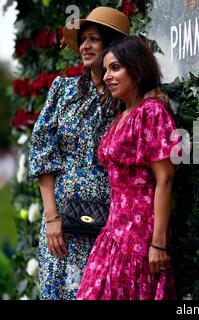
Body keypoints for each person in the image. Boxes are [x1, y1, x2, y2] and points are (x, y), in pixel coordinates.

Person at [28, 7, 130, 300]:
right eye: (82, 39)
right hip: (62, 219)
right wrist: (51, 218)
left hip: (108, 220)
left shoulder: (125, 97)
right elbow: (43, 153)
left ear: (111, 45)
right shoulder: (63, 91)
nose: (85, 46)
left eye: (94, 39)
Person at [76, 36, 179, 300]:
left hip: (140, 233)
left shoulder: (152, 112)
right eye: (106, 69)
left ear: (137, 68)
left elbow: (165, 178)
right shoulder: (122, 116)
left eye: (116, 68)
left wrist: (158, 243)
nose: (108, 76)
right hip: (114, 229)